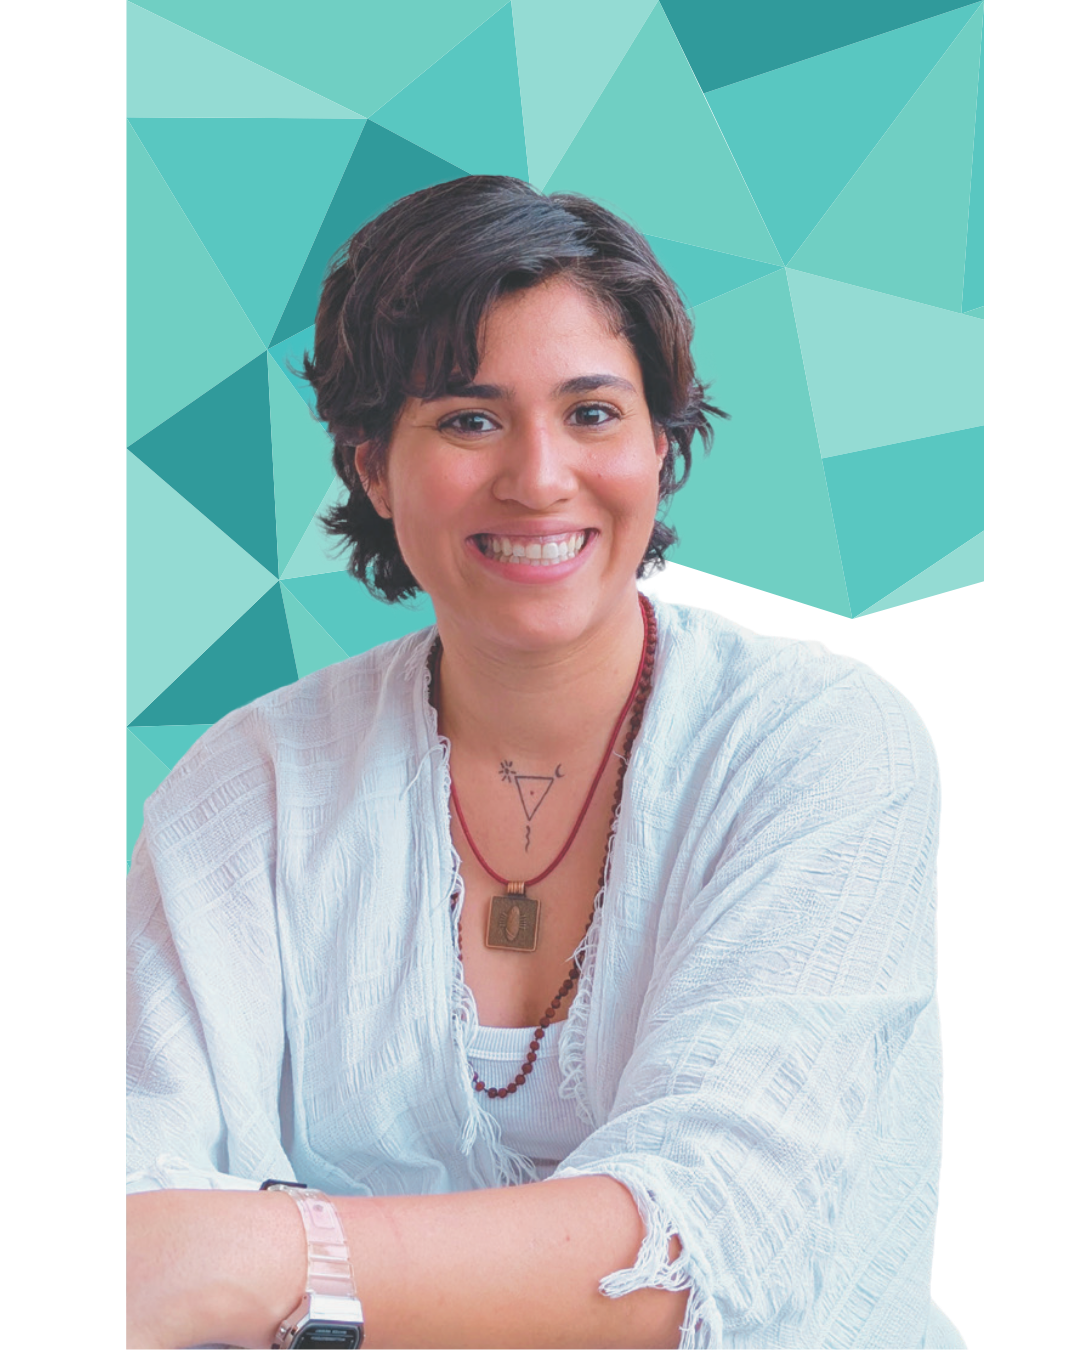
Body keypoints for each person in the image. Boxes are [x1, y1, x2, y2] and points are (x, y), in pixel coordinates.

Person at [126, 175, 964, 1350]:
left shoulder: (821, 744)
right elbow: (142, 1231)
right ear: (371, 463)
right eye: (469, 418)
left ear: (662, 445)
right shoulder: (247, 794)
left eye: (593, 413)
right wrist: (196, 1262)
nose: (538, 476)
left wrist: (263, 1252)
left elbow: (714, 1247)